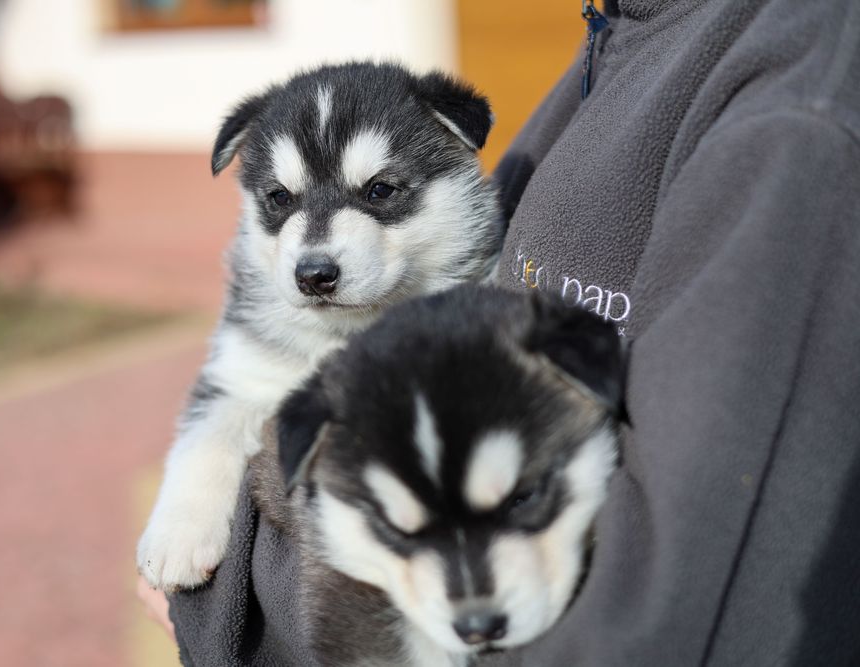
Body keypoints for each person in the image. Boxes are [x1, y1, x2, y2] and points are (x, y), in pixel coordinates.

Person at [145, 0, 860, 663]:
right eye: (280, 200)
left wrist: (237, 588)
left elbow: (683, 583)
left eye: (381, 191)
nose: (318, 248)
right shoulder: (620, 33)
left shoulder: (795, 110)